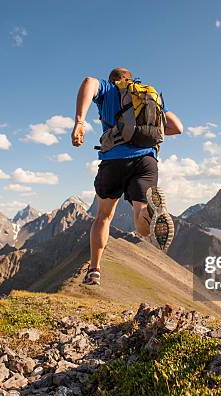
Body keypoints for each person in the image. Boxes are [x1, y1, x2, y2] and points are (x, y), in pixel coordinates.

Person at [70, 67, 184, 285]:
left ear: (113, 80)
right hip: (147, 161)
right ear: (130, 79)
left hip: (114, 160)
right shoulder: (147, 95)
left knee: (104, 216)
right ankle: (153, 210)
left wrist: (79, 121)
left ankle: (94, 270)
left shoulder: (108, 90)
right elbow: (177, 127)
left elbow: (88, 81)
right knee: (142, 223)